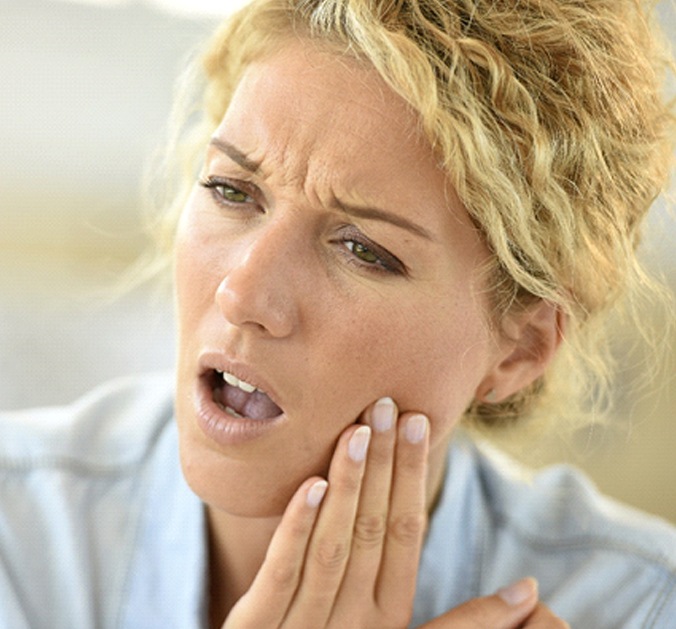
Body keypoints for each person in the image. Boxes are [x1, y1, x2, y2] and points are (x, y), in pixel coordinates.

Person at [1, 0, 675, 627]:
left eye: (363, 249)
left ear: (521, 348)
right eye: (232, 190)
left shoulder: (639, 605)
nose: (243, 295)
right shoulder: (18, 530)